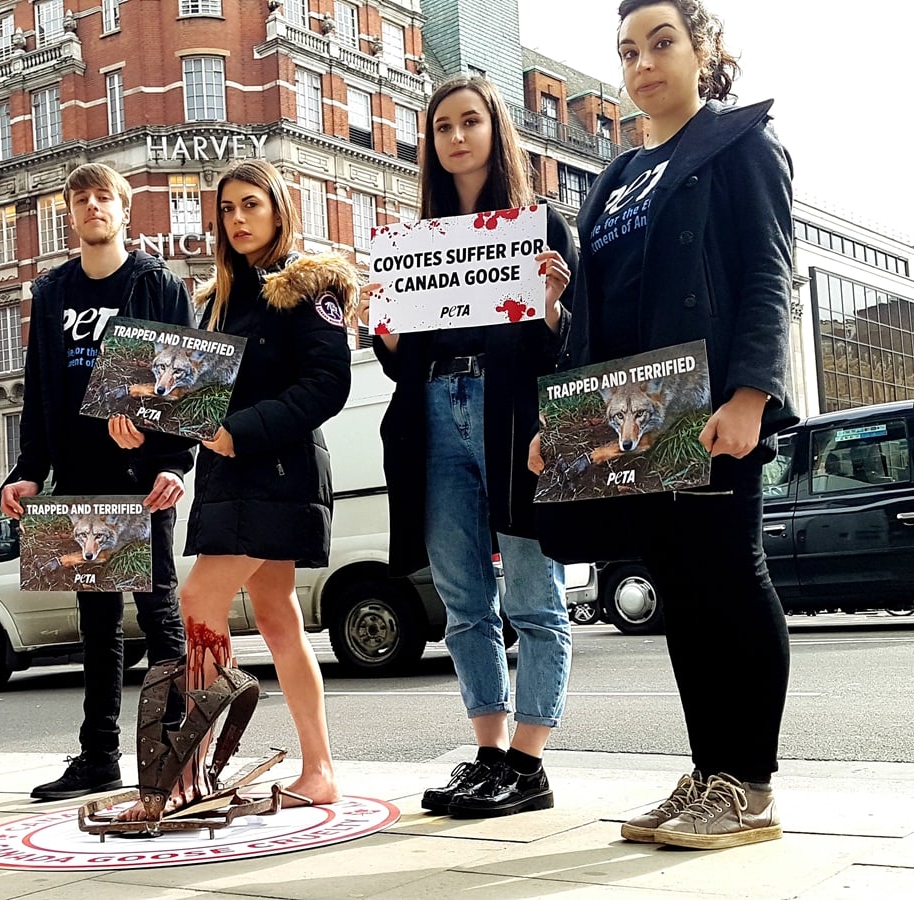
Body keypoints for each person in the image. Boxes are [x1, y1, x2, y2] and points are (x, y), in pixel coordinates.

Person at [538, 0, 797, 849]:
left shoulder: (739, 143)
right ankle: (711, 771)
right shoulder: (614, 180)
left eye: (661, 43)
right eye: (627, 51)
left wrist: (751, 393)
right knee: (682, 593)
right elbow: (597, 313)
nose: (643, 63)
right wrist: (563, 418)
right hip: (636, 416)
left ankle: (748, 786)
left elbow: (767, 273)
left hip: (713, 404)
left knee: (731, 574)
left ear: (701, 50)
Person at [359, 75, 577, 819]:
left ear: (495, 130)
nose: (455, 136)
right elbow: (400, 359)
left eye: (469, 121)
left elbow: (565, 347)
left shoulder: (540, 227)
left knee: (533, 593)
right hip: (433, 409)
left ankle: (529, 761)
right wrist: (384, 333)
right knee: (461, 596)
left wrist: (553, 312)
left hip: (511, 411)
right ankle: (488, 753)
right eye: (441, 126)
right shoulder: (417, 239)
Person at [123, 159, 357, 818]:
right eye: (227, 209)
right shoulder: (218, 301)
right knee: (280, 621)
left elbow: (327, 385)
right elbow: (191, 403)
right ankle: (320, 771)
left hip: (276, 474)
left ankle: (190, 774)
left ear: (279, 209)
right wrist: (142, 422)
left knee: (197, 600)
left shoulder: (312, 287)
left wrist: (241, 430)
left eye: (251, 204)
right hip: (233, 478)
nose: (238, 219)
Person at [0, 163, 195, 801]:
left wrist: (172, 460)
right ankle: (99, 757)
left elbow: (183, 378)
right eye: (79, 199)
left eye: (102, 197)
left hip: (140, 474)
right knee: (96, 621)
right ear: (70, 213)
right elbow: (40, 389)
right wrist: (30, 472)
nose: (91, 207)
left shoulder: (156, 283)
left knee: (159, 612)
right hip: (78, 474)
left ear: (123, 208)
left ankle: (175, 755)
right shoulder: (51, 291)